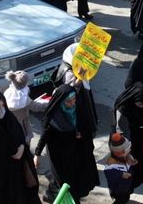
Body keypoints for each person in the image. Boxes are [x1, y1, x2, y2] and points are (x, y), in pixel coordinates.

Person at [34, 85, 97, 203]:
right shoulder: (53, 116)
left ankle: (51, 194)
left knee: (73, 176)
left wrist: (80, 133)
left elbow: (86, 124)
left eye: (74, 100)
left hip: (74, 150)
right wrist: (37, 154)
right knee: (64, 179)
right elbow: (45, 135)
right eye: (69, 101)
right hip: (58, 154)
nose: (72, 104)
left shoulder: (77, 109)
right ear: (61, 101)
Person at [55, 45, 100, 194]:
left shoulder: (77, 70)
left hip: (82, 120)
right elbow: (69, 98)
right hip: (77, 124)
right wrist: (79, 80)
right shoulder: (69, 73)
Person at [3, 71, 48, 147]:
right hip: (23, 123)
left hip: (11, 123)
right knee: (26, 139)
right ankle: (27, 153)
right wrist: (49, 103)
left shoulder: (7, 93)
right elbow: (36, 106)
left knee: (16, 140)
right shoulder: (23, 99)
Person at [104, 133, 138, 204]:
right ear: (119, 152)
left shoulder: (126, 156)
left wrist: (133, 163)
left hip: (126, 186)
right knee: (120, 200)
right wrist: (121, 174)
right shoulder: (111, 162)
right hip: (118, 189)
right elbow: (108, 173)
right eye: (127, 150)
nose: (129, 150)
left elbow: (129, 165)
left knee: (126, 197)